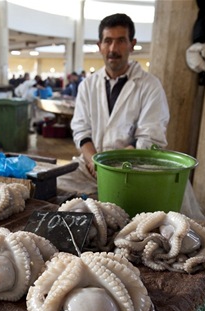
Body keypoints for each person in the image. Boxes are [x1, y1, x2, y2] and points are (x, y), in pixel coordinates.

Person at [61, 13, 169, 195]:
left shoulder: (150, 86)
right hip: (90, 167)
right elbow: (81, 130)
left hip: (132, 168)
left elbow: (150, 137)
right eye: (108, 41)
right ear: (99, 46)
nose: (113, 48)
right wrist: (94, 161)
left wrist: (111, 165)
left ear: (132, 45)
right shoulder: (88, 85)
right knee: (53, 187)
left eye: (120, 41)